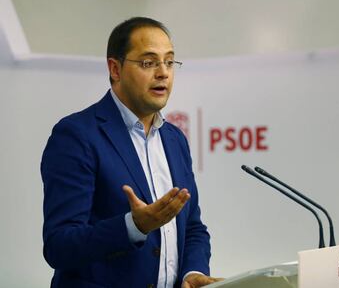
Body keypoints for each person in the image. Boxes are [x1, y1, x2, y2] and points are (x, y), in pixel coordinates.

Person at [41, 17, 221, 288]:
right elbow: (60, 245)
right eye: (149, 62)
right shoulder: (77, 135)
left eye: (169, 62)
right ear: (115, 68)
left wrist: (192, 273)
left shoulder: (174, 139)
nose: (163, 73)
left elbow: (193, 227)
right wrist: (132, 226)